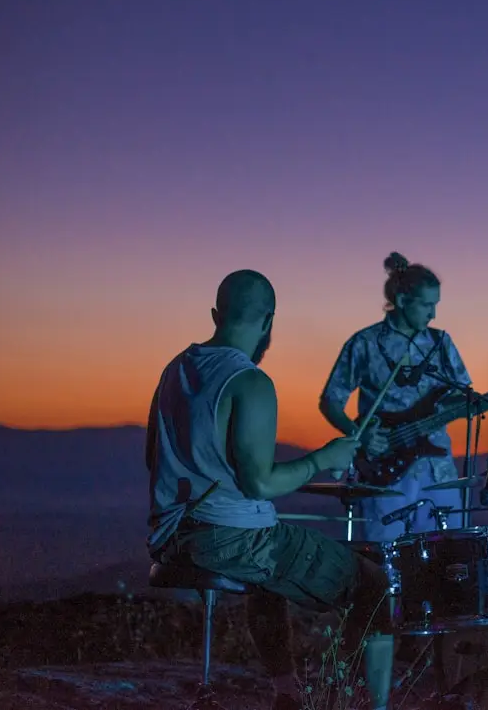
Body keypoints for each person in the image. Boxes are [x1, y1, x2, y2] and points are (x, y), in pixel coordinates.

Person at [145, 269, 394, 710]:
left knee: (272, 574)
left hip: (171, 536)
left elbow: (154, 459)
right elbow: (259, 483)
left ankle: (288, 693)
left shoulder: (175, 369)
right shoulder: (250, 382)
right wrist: (323, 459)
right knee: (374, 586)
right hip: (230, 538)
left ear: (215, 314)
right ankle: (353, 703)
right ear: (269, 322)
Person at [318, 252, 488, 542]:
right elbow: (330, 400)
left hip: (438, 471)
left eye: (435, 305)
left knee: (450, 558)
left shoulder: (441, 343)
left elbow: (458, 401)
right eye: (427, 305)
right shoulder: (364, 342)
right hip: (384, 472)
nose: (433, 314)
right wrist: (359, 435)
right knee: (386, 558)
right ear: (402, 301)